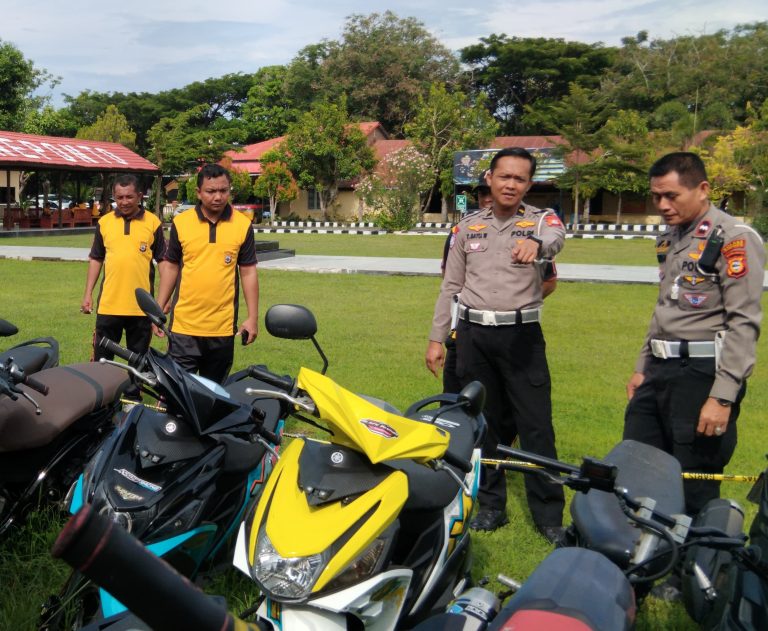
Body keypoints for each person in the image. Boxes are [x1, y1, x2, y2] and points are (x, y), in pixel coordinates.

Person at [426, 147, 566, 540]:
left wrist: (538, 245)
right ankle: (491, 505)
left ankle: (549, 516)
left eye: (520, 179)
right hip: (474, 336)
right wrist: (437, 338)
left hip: (521, 338)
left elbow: (557, 237)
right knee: (483, 425)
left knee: (536, 425)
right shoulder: (467, 228)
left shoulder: (542, 221)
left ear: (529, 185)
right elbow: (450, 287)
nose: (511, 184)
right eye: (504, 176)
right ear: (490, 178)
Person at [624, 152, 764, 517]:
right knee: (638, 467)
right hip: (659, 370)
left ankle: (694, 553)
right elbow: (664, 309)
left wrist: (722, 397)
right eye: (656, 196)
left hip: (702, 376)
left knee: (693, 485)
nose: (662, 205)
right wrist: (642, 367)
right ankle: (642, 547)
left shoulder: (733, 238)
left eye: (671, 196)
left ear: (702, 189)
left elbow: (743, 323)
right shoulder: (671, 238)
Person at [441, 172, 558, 394]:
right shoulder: (463, 230)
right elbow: (450, 282)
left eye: (491, 192)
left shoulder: (531, 231)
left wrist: (508, 304)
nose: (488, 198)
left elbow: (549, 282)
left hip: (513, 336)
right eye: (482, 193)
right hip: (465, 332)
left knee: (511, 401)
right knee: (458, 402)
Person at [156, 163, 259, 384]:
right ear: (198, 193)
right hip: (184, 327)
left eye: (223, 190)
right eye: (211, 191)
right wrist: (158, 309)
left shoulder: (242, 225)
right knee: (179, 392)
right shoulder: (181, 223)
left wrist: (252, 318)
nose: (218, 197)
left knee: (214, 395)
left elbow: (248, 272)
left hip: (222, 329)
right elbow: (171, 267)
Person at [82, 173, 167, 399]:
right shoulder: (105, 223)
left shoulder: (153, 223)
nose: (124, 202)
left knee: (138, 361)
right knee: (102, 360)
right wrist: (88, 293)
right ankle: (101, 401)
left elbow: (164, 263)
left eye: (129, 197)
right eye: (119, 197)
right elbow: (96, 259)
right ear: (114, 196)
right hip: (109, 305)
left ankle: (132, 400)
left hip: (141, 309)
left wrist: (162, 302)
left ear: (140, 195)